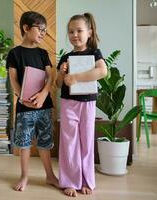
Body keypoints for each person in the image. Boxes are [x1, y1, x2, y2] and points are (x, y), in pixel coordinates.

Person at [6, 11, 59, 192]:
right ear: (26, 28)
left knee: (45, 142)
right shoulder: (14, 53)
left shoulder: (43, 53)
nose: (43, 33)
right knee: (24, 143)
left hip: (44, 106)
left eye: (45, 30)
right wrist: (23, 99)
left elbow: (50, 77)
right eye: (40, 29)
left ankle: (50, 176)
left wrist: (44, 94)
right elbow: (13, 80)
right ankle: (24, 176)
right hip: (24, 107)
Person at [56, 13, 107, 197]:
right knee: (69, 143)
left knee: (86, 141)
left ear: (90, 32)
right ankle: (69, 181)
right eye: (71, 31)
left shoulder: (94, 53)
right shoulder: (66, 56)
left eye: (79, 30)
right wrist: (62, 73)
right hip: (68, 103)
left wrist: (76, 77)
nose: (74, 35)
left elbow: (102, 71)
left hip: (87, 103)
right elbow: (58, 84)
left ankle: (86, 180)